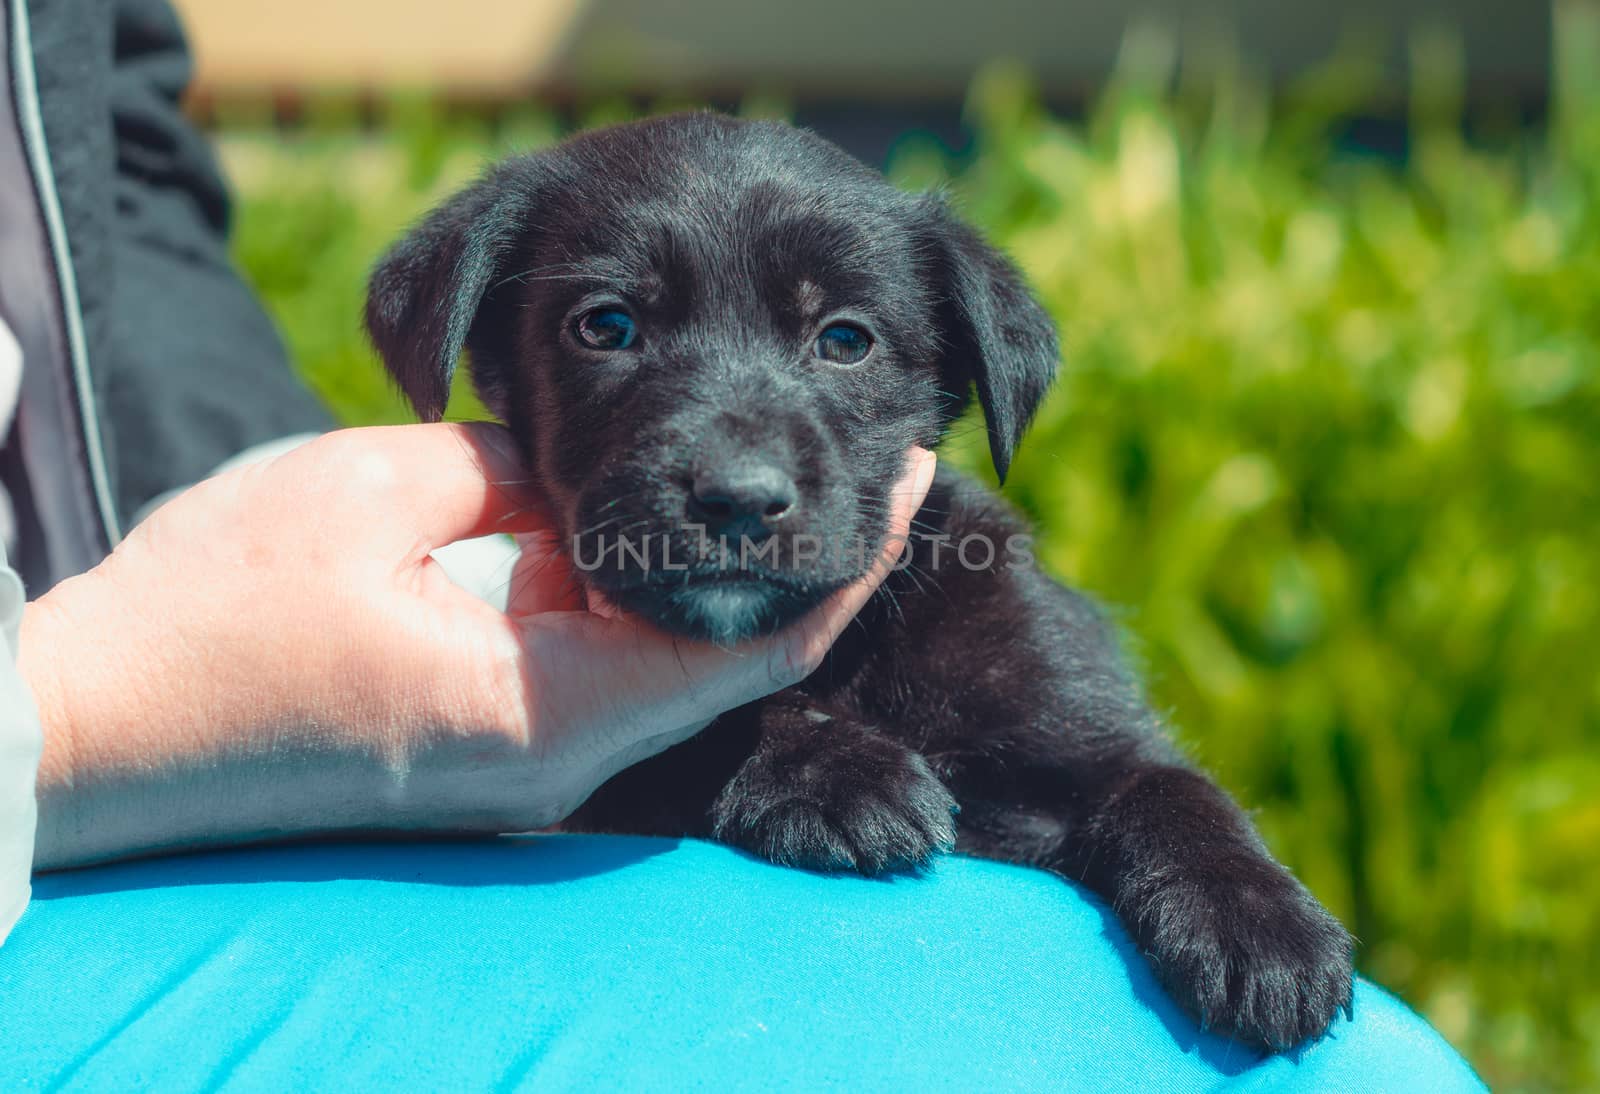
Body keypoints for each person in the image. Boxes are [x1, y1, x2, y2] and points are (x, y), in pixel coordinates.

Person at [0, 0, 1484, 1088]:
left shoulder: (976, 621)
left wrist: (1191, 847)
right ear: (487, 363)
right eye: (609, 328)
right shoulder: (502, 626)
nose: (734, 458)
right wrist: (728, 760)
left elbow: (1110, 786)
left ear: (955, 392)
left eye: (844, 340)